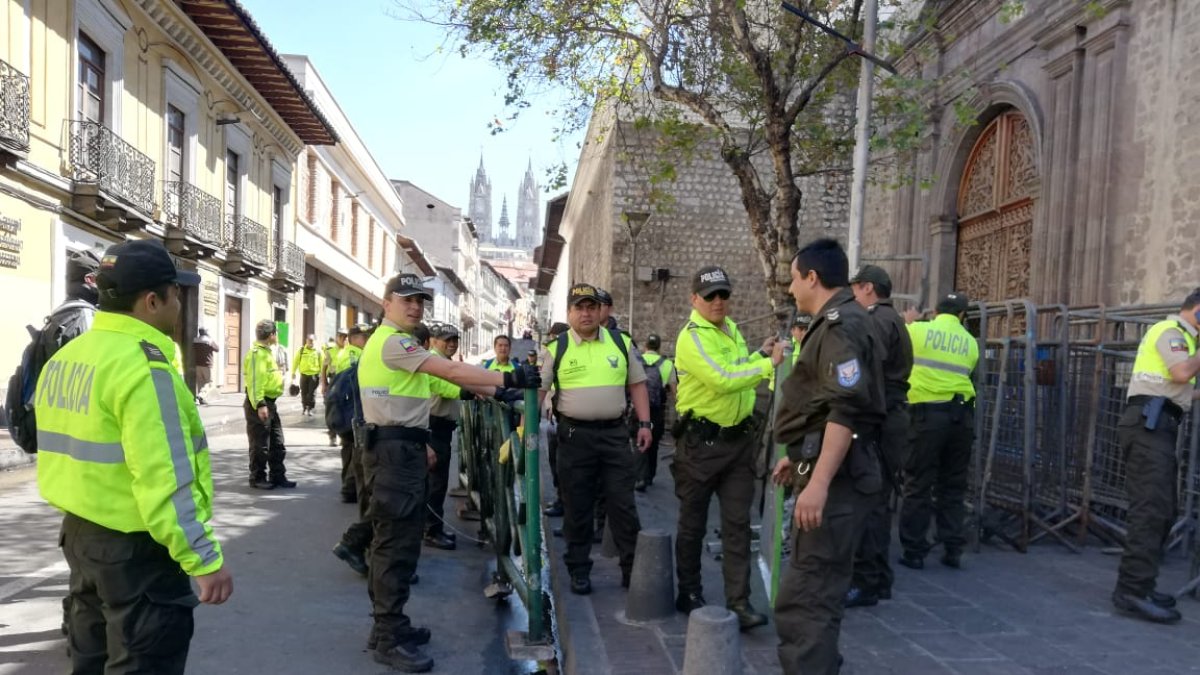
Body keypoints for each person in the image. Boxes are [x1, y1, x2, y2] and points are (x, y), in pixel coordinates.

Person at [35, 239, 232, 673]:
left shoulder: (68, 357)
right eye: (175, 293)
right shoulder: (144, 368)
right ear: (151, 301)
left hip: (81, 537)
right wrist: (202, 558)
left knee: (90, 661)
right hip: (136, 553)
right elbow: (166, 478)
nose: (179, 303)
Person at [357, 273, 539, 671]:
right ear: (386, 303)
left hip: (399, 449)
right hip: (393, 454)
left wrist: (497, 391)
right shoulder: (394, 342)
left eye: (420, 300)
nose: (415, 307)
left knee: (400, 542)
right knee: (395, 545)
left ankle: (389, 625)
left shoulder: (395, 344)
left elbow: (445, 383)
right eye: (406, 299)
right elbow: (450, 372)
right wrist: (510, 378)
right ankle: (387, 636)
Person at [771, 238, 886, 675]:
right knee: (816, 590)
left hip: (839, 482)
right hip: (834, 467)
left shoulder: (840, 325)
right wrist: (801, 457)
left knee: (807, 597)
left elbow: (845, 409)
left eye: (794, 278)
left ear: (812, 278)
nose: (790, 288)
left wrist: (818, 482)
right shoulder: (839, 320)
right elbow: (823, 411)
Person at [672, 266, 783, 629]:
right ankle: (689, 592)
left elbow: (735, 367)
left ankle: (739, 602)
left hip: (737, 444)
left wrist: (757, 355)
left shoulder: (730, 329)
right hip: (700, 446)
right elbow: (721, 379)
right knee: (693, 524)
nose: (718, 302)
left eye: (723, 294)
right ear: (694, 299)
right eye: (710, 296)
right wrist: (767, 364)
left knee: (738, 525)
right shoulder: (691, 337)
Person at [540, 283, 652, 595]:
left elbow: (638, 385)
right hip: (574, 438)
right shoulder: (557, 348)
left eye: (592, 307)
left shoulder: (620, 342)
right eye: (580, 307)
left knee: (623, 505)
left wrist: (645, 424)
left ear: (601, 310)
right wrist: (526, 430)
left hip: (615, 435)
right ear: (569, 312)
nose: (586, 313)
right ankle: (578, 569)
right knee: (577, 507)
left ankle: (632, 570)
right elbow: (538, 390)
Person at [1111, 288, 1200, 624]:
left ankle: (1142, 585)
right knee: (1150, 509)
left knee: (1162, 510)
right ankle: (1132, 590)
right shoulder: (1170, 331)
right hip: (1148, 424)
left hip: (1159, 422)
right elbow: (1181, 374)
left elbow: (1177, 389)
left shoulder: (1185, 339)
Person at [844, 265, 914, 608]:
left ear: (868, 288)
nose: (852, 295)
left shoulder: (876, 321)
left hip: (880, 419)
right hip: (891, 417)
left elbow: (868, 372)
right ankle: (879, 578)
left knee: (869, 502)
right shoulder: (891, 318)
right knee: (879, 501)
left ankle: (866, 582)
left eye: (856, 288)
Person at [896, 292, 979, 573]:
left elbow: (894, 338)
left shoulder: (918, 331)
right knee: (953, 485)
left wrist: (909, 320)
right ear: (962, 315)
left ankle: (914, 551)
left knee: (917, 484)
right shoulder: (970, 342)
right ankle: (953, 548)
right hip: (961, 418)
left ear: (935, 311)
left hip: (926, 417)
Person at [424, 323, 475, 551]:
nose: (452, 344)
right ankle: (431, 531)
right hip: (433, 426)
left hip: (442, 428)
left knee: (437, 482)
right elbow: (444, 387)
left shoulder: (444, 362)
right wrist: (467, 391)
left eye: (455, 340)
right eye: (447, 340)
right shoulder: (434, 362)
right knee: (435, 483)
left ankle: (433, 527)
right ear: (434, 341)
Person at [244, 319, 296, 490]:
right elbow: (255, 382)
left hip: (270, 403)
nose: (277, 336)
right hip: (260, 403)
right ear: (271, 335)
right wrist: (260, 404)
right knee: (260, 445)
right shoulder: (257, 354)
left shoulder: (266, 353)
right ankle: (257, 477)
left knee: (277, 442)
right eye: (276, 333)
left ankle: (277, 475)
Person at [333, 324, 370, 502]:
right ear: (354, 338)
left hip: (346, 408)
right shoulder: (353, 355)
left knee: (349, 447)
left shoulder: (348, 352)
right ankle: (349, 489)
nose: (367, 340)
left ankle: (349, 488)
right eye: (364, 337)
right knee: (353, 448)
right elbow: (353, 384)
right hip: (351, 408)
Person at [635, 333, 675, 491]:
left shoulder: (636, 361)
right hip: (657, 411)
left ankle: (640, 477)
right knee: (654, 443)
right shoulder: (667, 364)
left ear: (645, 346)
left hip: (638, 409)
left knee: (638, 441)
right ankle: (650, 475)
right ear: (659, 348)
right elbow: (675, 391)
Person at [541, 321, 571, 518]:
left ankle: (565, 504)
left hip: (564, 420)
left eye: (553, 337)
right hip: (553, 417)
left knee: (563, 463)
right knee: (555, 461)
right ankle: (561, 499)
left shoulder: (565, 356)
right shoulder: (552, 355)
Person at [323, 328, 349, 447]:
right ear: (337, 337)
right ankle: (332, 436)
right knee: (332, 409)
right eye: (341, 336)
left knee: (345, 409)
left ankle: (344, 436)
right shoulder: (330, 350)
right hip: (333, 380)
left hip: (346, 381)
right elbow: (324, 368)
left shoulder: (350, 350)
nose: (344, 339)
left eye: (346, 336)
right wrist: (324, 384)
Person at [294, 334, 322, 416]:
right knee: (303, 392)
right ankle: (304, 407)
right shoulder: (301, 350)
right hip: (303, 375)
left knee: (311, 393)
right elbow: (296, 361)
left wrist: (322, 375)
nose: (311, 342)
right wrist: (293, 372)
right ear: (306, 340)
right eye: (309, 340)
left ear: (315, 341)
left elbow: (322, 363)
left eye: (312, 340)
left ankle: (310, 408)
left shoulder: (318, 352)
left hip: (314, 375)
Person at [193, 327, 219, 404]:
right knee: (210, 383)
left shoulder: (195, 340)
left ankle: (201, 399)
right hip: (207, 364)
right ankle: (201, 395)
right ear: (206, 333)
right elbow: (217, 349)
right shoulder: (209, 341)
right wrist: (210, 338)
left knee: (200, 382)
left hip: (197, 364)